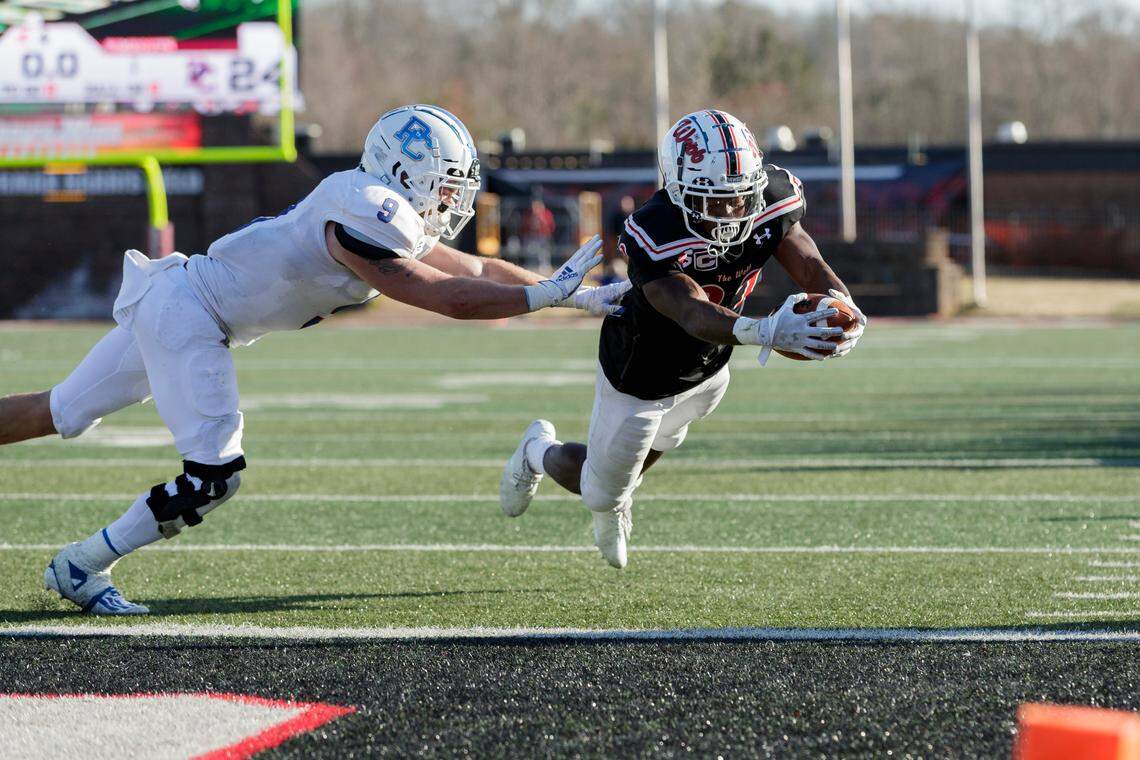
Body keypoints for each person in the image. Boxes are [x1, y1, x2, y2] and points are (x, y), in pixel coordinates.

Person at [0, 104, 627, 614]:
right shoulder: (366, 210)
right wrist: (538, 296)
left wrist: (574, 296)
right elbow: (447, 297)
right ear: (404, 170)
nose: (449, 200)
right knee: (213, 476)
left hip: (184, 300)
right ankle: (84, 564)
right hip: (189, 314)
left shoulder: (379, 207)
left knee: (60, 410)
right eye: (444, 184)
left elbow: (479, 270)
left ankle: (81, 562)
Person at [498, 109, 867, 569]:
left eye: (741, 198)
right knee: (600, 491)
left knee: (650, 453)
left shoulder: (773, 198)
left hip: (710, 368)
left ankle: (622, 487)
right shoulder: (654, 230)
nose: (732, 213)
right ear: (677, 191)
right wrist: (765, 330)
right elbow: (691, 311)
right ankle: (537, 452)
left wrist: (843, 304)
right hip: (643, 373)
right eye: (717, 201)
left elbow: (809, 263)